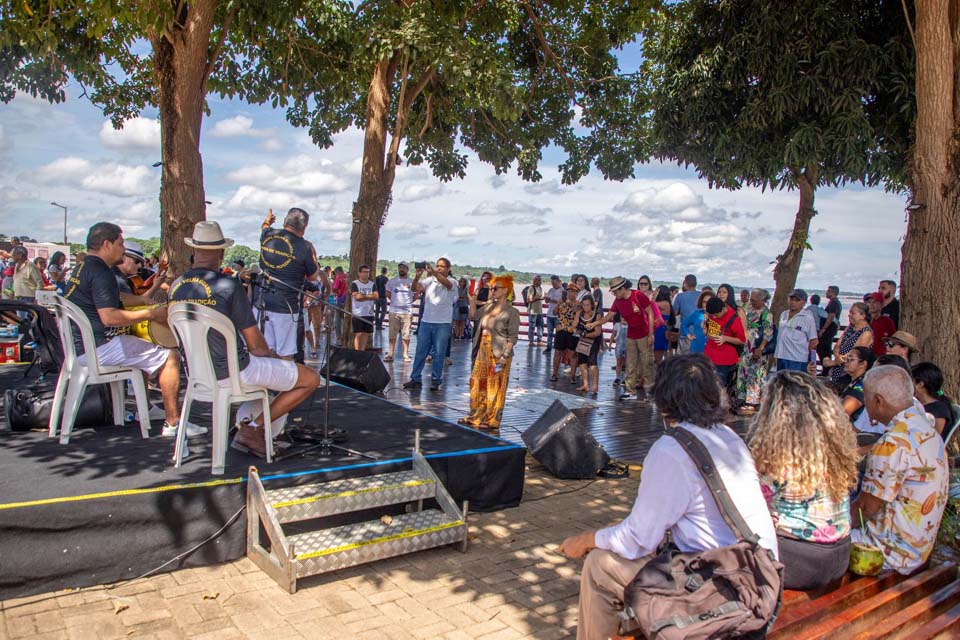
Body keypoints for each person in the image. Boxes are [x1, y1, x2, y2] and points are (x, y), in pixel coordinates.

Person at [559, 355, 778, 640]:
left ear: (663, 400)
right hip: (757, 575)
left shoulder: (670, 450)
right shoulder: (729, 437)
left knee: (600, 564)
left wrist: (587, 539)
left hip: (720, 588)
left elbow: (637, 539)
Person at [169, 222, 320, 455]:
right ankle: (253, 428)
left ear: (193, 250)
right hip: (235, 372)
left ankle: (247, 424)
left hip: (198, 376)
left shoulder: (176, 287)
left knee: (271, 375)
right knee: (309, 378)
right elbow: (257, 347)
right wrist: (274, 358)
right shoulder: (228, 286)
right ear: (221, 253)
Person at [64, 222, 203, 438]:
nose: (123, 249)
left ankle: (147, 409)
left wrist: (144, 301)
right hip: (97, 348)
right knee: (170, 356)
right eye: (120, 244)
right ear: (107, 244)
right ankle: (174, 423)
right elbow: (109, 317)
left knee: (141, 348)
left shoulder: (84, 267)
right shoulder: (101, 272)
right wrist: (151, 314)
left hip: (81, 346)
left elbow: (116, 298)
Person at [748, 371, 858, 590]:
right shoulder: (836, 449)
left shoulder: (774, 457)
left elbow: (753, 509)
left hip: (796, 562)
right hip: (839, 554)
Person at [851, 366, 947, 575]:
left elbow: (864, 510)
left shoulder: (892, 443)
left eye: (865, 398)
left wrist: (828, 521)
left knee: (807, 545)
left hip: (888, 553)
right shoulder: (925, 427)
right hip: (919, 548)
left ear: (878, 401)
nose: (864, 404)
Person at [257, 208, 323, 360]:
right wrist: (313, 254)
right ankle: (285, 382)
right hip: (285, 307)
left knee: (266, 350)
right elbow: (313, 276)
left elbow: (264, 227)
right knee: (285, 353)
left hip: (261, 303)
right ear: (304, 227)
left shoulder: (268, 235)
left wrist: (267, 220)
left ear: (285, 222)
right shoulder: (304, 246)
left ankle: (268, 382)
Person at [459, 275, 520, 430]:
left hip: (499, 351)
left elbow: (512, 337)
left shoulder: (512, 311)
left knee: (495, 385)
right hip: (483, 348)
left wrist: (505, 356)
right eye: (491, 288)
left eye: (495, 288)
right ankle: (476, 414)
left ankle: (492, 418)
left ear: (506, 290)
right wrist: (472, 301)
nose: (492, 291)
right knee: (477, 381)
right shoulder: (488, 306)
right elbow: (473, 316)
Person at [589, 277, 656, 400]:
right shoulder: (617, 301)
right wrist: (594, 324)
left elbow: (650, 313)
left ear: (623, 288)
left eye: (615, 291)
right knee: (630, 363)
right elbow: (609, 316)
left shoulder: (638, 295)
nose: (614, 294)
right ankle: (631, 391)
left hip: (644, 333)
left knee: (647, 363)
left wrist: (651, 334)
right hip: (631, 334)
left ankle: (651, 391)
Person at [403, 258, 457, 391]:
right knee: (420, 351)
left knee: (439, 354)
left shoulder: (452, 281)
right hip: (426, 321)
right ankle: (415, 378)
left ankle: (436, 380)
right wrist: (417, 277)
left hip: (443, 323)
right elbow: (416, 289)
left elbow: (447, 285)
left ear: (448, 268)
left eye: (442, 266)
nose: (439, 268)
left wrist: (433, 272)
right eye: (437, 266)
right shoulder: (429, 280)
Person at [703, 296, 746, 405]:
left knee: (720, 386)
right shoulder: (712, 314)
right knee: (707, 383)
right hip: (709, 354)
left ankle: (719, 409)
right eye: (712, 315)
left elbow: (742, 340)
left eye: (716, 315)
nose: (715, 317)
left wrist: (726, 338)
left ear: (723, 309)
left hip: (724, 358)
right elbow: (711, 334)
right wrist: (705, 329)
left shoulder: (734, 318)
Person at [737, 288, 774, 414]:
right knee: (743, 371)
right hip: (746, 347)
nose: (752, 302)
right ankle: (741, 397)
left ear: (763, 300)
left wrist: (761, 348)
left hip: (756, 347)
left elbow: (768, 333)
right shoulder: (748, 310)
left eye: (755, 300)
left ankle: (753, 401)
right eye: (751, 300)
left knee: (755, 374)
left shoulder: (766, 313)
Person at [825, 302, 874, 384]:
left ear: (863, 316)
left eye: (852, 313)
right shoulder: (850, 327)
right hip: (839, 368)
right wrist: (838, 358)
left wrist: (832, 362)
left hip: (849, 373)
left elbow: (855, 354)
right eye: (849, 312)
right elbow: (837, 346)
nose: (849, 315)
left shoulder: (866, 333)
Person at [774, 289, 819, 373]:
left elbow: (813, 341)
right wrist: (776, 355)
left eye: (797, 300)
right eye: (791, 299)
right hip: (781, 357)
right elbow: (780, 336)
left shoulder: (807, 317)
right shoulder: (784, 314)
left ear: (804, 302)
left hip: (797, 360)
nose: (793, 302)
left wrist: (811, 361)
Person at [912, 362, 957, 437]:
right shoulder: (919, 403)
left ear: (920, 384)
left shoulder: (939, 411)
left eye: (911, 381)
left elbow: (932, 439)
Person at [384, 262, 416, 361]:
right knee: (392, 333)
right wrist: (395, 302)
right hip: (394, 311)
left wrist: (408, 303)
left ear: (407, 269)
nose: (402, 269)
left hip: (407, 312)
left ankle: (405, 354)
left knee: (406, 334)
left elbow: (416, 295)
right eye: (400, 268)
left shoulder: (412, 282)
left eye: (404, 268)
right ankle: (390, 353)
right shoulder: (392, 281)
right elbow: (388, 293)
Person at [551, 284, 581, 383]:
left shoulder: (578, 304)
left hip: (572, 331)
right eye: (569, 291)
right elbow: (554, 313)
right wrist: (558, 305)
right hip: (561, 329)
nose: (571, 294)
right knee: (557, 353)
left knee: (573, 354)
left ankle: (572, 376)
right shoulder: (562, 302)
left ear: (577, 293)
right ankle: (554, 374)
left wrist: (570, 304)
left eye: (574, 292)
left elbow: (578, 312)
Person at [839, 346, 876, 424]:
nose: (846, 362)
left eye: (851, 359)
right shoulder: (850, 381)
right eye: (846, 359)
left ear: (863, 364)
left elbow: (843, 411)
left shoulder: (862, 384)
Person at [574, 295, 602, 395]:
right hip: (582, 340)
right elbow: (574, 325)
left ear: (592, 305)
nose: (586, 307)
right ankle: (585, 384)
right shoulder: (579, 313)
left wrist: (586, 334)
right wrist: (578, 329)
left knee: (593, 362)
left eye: (588, 305)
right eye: (584, 305)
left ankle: (595, 386)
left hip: (593, 340)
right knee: (582, 362)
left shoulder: (597, 315)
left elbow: (598, 332)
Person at [349, 264, 377, 351]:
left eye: (367, 272)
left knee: (366, 333)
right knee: (359, 333)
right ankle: (357, 351)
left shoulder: (372, 284)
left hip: (369, 312)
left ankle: (362, 350)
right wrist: (369, 295)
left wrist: (363, 296)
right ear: (359, 273)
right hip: (358, 313)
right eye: (364, 272)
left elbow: (376, 296)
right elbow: (356, 297)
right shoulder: (355, 284)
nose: (366, 274)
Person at [672, 274, 700, 353]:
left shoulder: (680, 296)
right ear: (696, 283)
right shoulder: (702, 295)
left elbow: (674, 312)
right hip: (700, 332)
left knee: (684, 360)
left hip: (685, 333)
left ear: (685, 283)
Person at [817, 286, 843, 371]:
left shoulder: (834, 303)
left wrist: (824, 328)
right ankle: (826, 369)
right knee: (825, 348)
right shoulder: (834, 302)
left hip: (829, 330)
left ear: (833, 293)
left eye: (828, 291)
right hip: (830, 330)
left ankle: (826, 369)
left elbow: (831, 316)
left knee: (823, 348)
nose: (826, 293)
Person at [681, 290, 711, 354]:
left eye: (710, 302)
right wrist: (688, 335)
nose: (707, 304)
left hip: (711, 351)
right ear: (701, 303)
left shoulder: (717, 316)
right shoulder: (696, 314)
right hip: (696, 350)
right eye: (704, 302)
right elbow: (684, 324)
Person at [543, 275, 564, 353]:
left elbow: (561, 302)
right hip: (549, 314)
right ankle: (549, 347)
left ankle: (558, 347)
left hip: (558, 315)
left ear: (558, 282)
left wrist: (551, 300)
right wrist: (546, 299)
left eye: (555, 283)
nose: (553, 285)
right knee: (550, 333)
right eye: (552, 284)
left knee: (559, 333)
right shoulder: (551, 290)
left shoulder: (563, 290)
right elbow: (547, 301)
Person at [523, 275, 545, 345]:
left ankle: (539, 340)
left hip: (539, 310)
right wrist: (539, 298)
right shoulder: (531, 288)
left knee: (540, 325)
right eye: (538, 280)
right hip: (533, 310)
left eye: (540, 280)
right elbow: (529, 300)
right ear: (534, 281)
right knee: (532, 326)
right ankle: (531, 341)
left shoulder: (540, 288)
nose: (540, 282)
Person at [453, 276, 470, 340]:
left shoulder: (466, 289)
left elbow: (468, 297)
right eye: (460, 281)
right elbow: (455, 297)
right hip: (457, 306)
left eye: (462, 281)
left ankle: (461, 334)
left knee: (463, 322)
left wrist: (461, 298)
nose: (461, 283)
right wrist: (461, 298)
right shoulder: (456, 289)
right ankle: (456, 335)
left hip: (464, 306)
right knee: (457, 322)